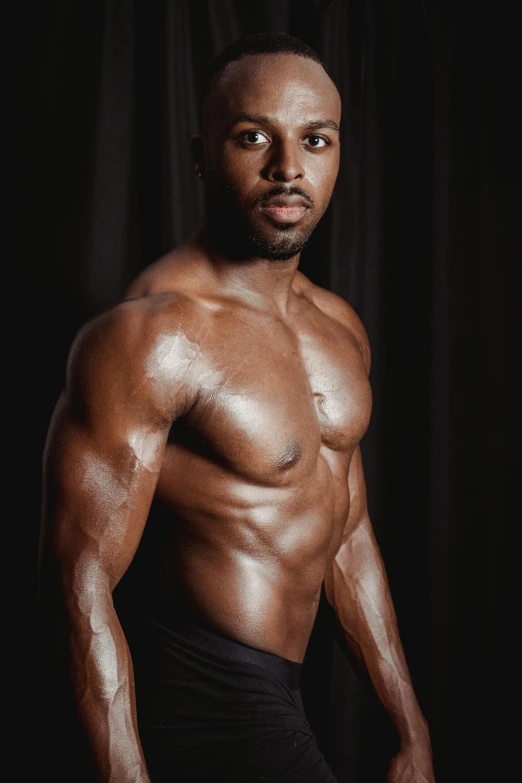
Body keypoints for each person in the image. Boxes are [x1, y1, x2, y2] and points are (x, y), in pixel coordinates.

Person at [38, 31, 435, 783]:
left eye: (315, 140)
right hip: (196, 699)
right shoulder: (156, 334)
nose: (289, 167)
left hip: (281, 697)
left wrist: (409, 728)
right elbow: (74, 581)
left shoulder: (339, 328)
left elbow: (346, 530)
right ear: (199, 154)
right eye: (254, 137)